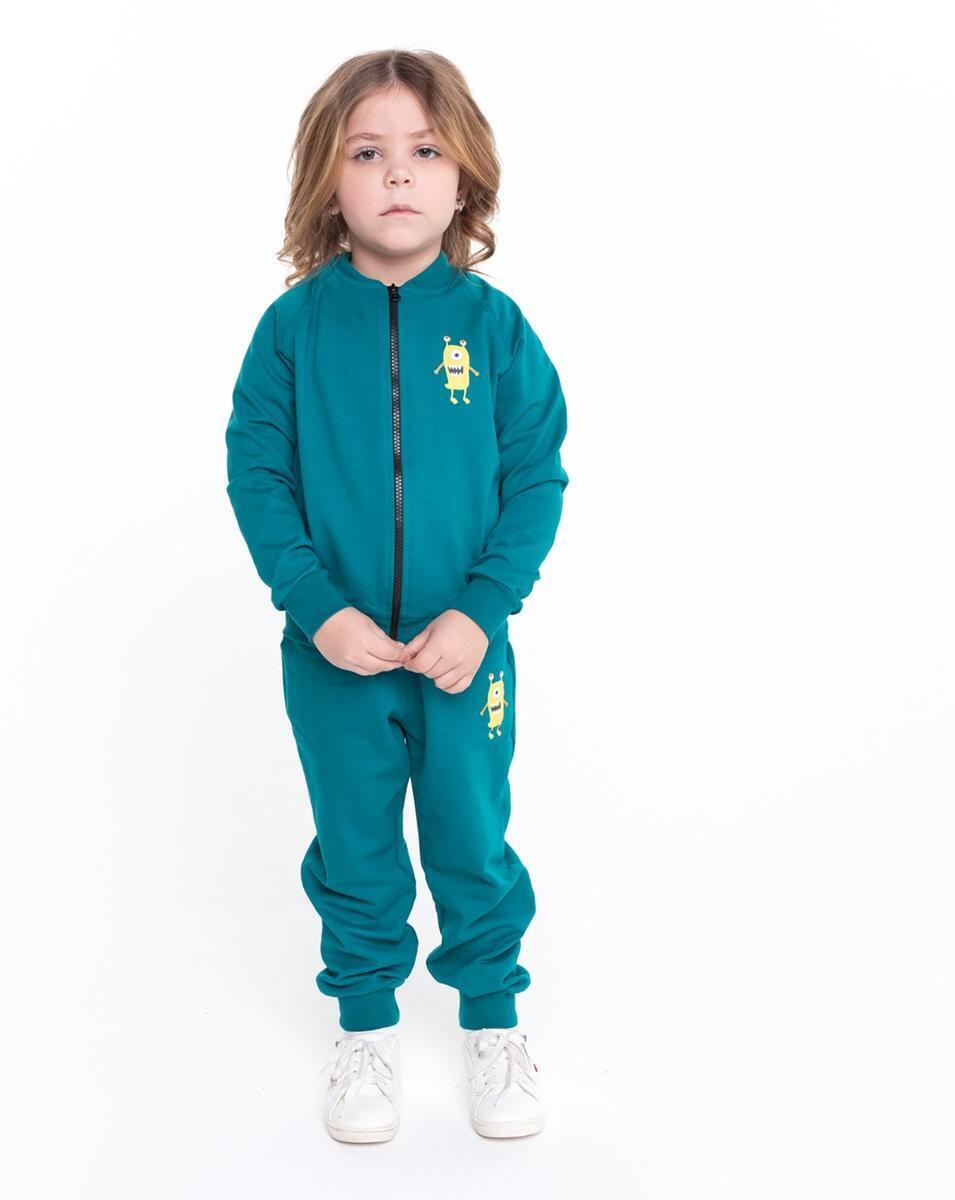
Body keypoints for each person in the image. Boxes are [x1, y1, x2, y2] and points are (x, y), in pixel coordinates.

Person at [224, 49, 569, 1143]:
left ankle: (493, 1025)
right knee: (355, 843)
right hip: (334, 654)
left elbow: (537, 478)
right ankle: (366, 1032)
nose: (399, 174)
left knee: (473, 835)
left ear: (465, 179)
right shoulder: (291, 331)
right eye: (368, 153)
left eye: (424, 151)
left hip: (467, 651)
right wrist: (316, 605)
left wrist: (482, 609)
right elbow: (258, 475)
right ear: (329, 183)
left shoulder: (494, 329)